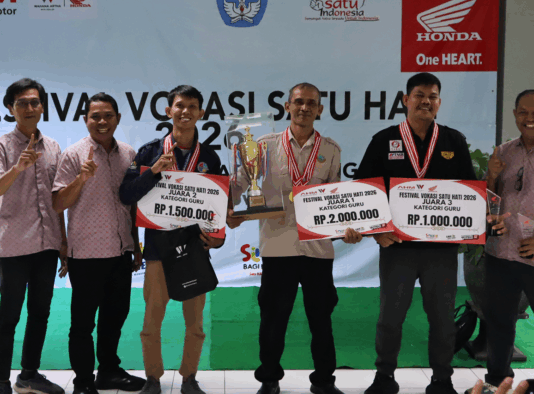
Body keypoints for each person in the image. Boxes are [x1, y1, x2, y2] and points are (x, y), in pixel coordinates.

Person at [357, 73, 488, 394]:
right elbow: (364, 190)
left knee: (442, 320)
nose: (426, 101)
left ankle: (442, 379)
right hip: (397, 247)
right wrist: (377, 232)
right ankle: (384, 377)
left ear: (439, 103)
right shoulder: (384, 139)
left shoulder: (453, 140)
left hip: (440, 251)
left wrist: (471, 224)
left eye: (432, 96)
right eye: (419, 95)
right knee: (390, 317)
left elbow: (469, 192)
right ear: (406, 100)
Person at [227, 82, 362, 394]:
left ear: (320, 109)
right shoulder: (263, 145)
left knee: (321, 321)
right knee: (273, 320)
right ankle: (269, 380)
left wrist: (347, 228)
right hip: (278, 247)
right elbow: (241, 182)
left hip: (318, 251)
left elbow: (336, 200)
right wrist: (227, 209)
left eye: (311, 103)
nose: (304, 108)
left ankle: (324, 382)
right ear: (287, 106)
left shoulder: (331, 150)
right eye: (298, 102)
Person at [119, 85, 224, 394]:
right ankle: (153, 378)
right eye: (179, 105)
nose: (185, 111)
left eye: (192, 106)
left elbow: (217, 205)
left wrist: (217, 237)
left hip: (195, 251)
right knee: (151, 323)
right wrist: (152, 171)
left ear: (201, 113)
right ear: (168, 111)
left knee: (196, 325)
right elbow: (126, 194)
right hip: (157, 250)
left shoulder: (209, 157)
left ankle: (189, 378)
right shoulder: (149, 152)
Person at [52, 93, 144, 394]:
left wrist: (136, 244)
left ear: (117, 118)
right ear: (86, 120)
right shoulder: (73, 155)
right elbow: (58, 203)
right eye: (95, 116)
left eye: (108, 115)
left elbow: (132, 204)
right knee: (82, 324)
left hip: (121, 251)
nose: (102, 121)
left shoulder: (129, 154)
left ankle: (109, 372)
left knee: (114, 318)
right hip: (86, 254)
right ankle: (83, 382)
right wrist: (81, 178)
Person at [464, 90, 534, 394]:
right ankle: (496, 382)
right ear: (515, 114)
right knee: (499, 323)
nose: (529, 118)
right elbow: (490, 201)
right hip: (501, 253)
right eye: (523, 112)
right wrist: (491, 178)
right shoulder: (503, 152)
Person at [0, 79, 67, 394]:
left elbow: (58, 200)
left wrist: (63, 242)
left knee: (40, 313)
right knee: (8, 316)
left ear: (42, 107)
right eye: (22, 103)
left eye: (35, 102)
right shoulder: (3, 146)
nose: (29, 108)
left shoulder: (53, 146)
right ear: (10, 108)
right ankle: (1, 380)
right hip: (13, 246)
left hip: (47, 245)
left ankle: (28, 375)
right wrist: (17, 168)